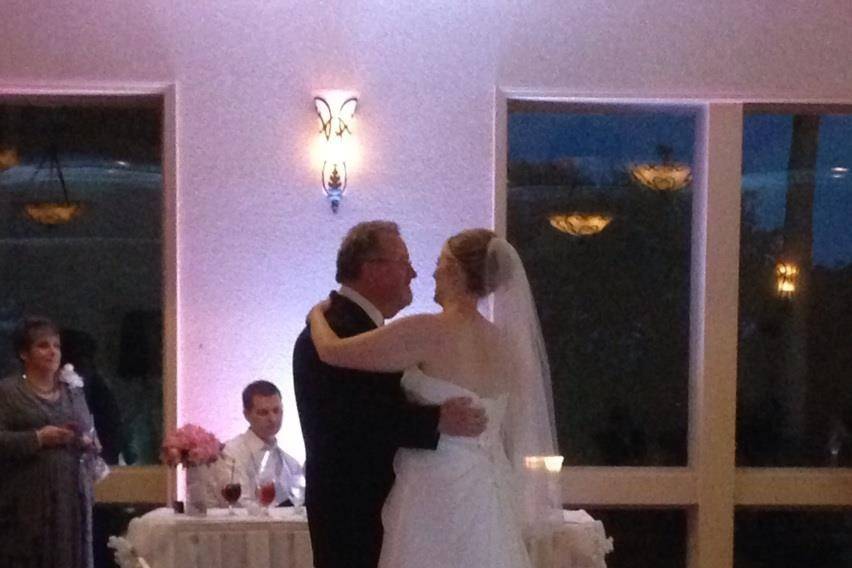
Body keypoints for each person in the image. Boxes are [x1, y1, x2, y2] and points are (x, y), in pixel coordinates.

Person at [308, 228, 561, 568]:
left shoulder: (426, 331)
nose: (430, 272)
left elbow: (330, 352)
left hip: (433, 487)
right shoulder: (507, 347)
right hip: (486, 490)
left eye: (440, 263)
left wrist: (316, 317)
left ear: (456, 271)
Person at [293, 221, 488, 568]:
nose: (414, 273)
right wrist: (435, 419)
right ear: (372, 269)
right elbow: (352, 420)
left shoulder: (353, 327)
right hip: (354, 513)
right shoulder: (339, 325)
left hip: (397, 506)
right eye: (404, 261)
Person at [0, 316, 103, 568]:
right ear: (25, 353)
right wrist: (38, 438)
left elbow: (90, 431)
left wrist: (88, 441)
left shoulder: (72, 389)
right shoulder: (9, 391)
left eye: (56, 346)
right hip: (25, 498)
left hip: (70, 495)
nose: (52, 352)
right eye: (43, 345)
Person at [210, 380, 303, 509]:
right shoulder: (231, 453)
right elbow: (236, 504)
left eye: (276, 410)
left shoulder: (291, 464)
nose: (273, 419)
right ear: (246, 415)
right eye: (263, 412)